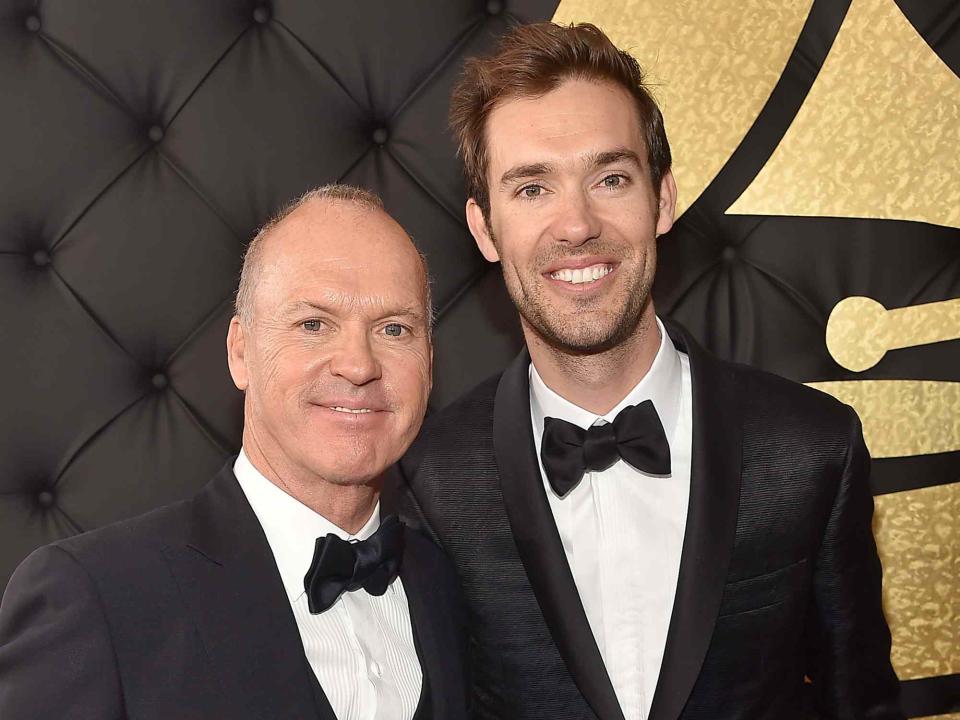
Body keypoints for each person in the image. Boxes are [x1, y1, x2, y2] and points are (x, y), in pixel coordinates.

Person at [393, 22, 903, 720]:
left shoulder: (814, 448)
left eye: (610, 178)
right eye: (532, 188)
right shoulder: (429, 480)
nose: (576, 225)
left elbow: (862, 706)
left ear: (662, 200)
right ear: (485, 229)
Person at [0, 185, 468, 720]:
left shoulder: (445, 585)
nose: (359, 365)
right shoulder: (95, 597)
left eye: (393, 328)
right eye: (313, 324)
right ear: (240, 352)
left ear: (429, 363)